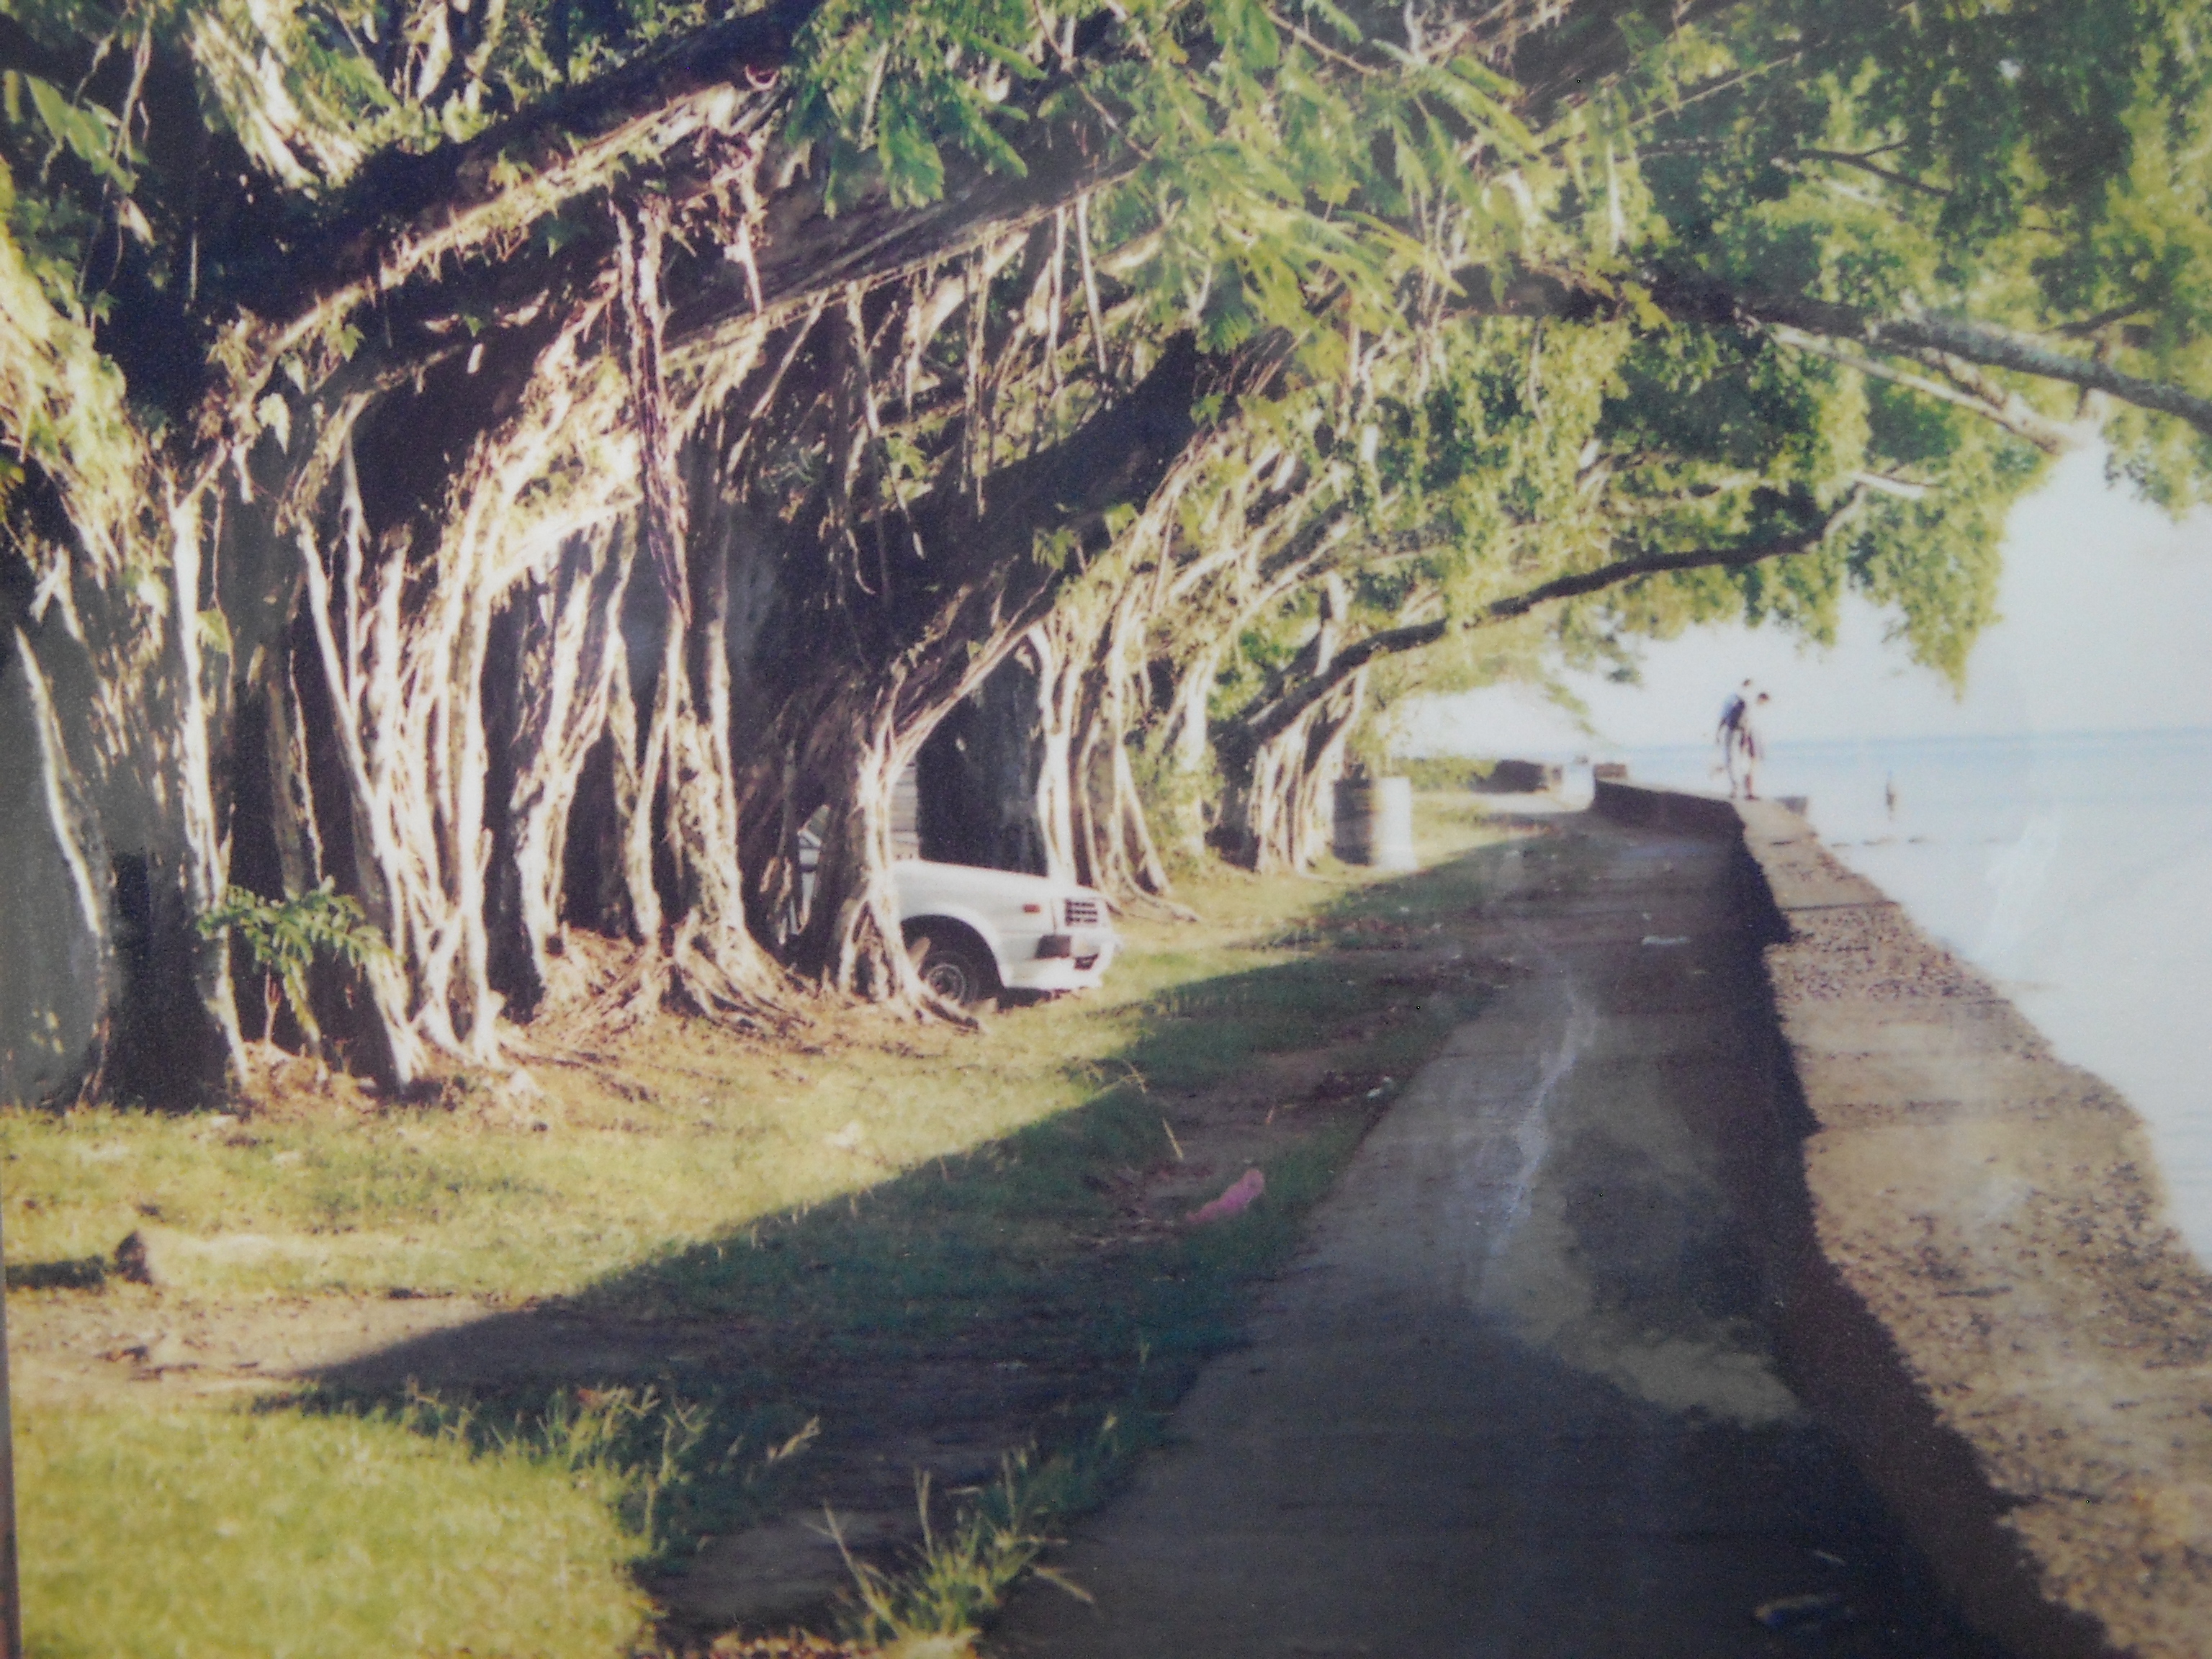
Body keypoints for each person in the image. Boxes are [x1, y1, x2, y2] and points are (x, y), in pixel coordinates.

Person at [1717, 680, 1753, 796]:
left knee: (1730, 759)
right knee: (1743, 759)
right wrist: (1746, 737)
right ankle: (1747, 788)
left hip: (1732, 731)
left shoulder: (1731, 698)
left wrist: (1718, 733)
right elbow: (1748, 720)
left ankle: (1735, 786)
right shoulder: (1748, 700)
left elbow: (1723, 717)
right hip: (1744, 732)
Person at [1735, 692, 1771, 799]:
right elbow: (1747, 724)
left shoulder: (1755, 710)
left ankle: (1749, 791)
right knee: (1752, 765)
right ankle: (1749, 792)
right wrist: (1745, 740)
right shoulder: (1752, 709)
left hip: (1754, 736)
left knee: (1752, 765)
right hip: (1752, 736)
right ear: (1762, 699)